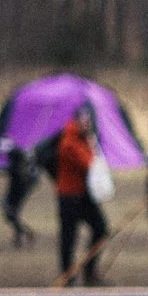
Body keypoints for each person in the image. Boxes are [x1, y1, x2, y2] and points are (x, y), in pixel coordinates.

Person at [52, 103, 110, 284]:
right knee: (68, 237)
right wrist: (92, 145)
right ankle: (67, 276)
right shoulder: (69, 141)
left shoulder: (84, 139)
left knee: (100, 228)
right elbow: (89, 163)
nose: (87, 124)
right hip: (68, 196)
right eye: (84, 121)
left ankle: (89, 271)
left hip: (83, 195)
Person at [0, 136, 40, 247]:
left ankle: (23, 234)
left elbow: (16, 177)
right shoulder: (20, 160)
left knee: (10, 212)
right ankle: (20, 235)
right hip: (20, 189)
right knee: (12, 212)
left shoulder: (17, 164)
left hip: (18, 190)